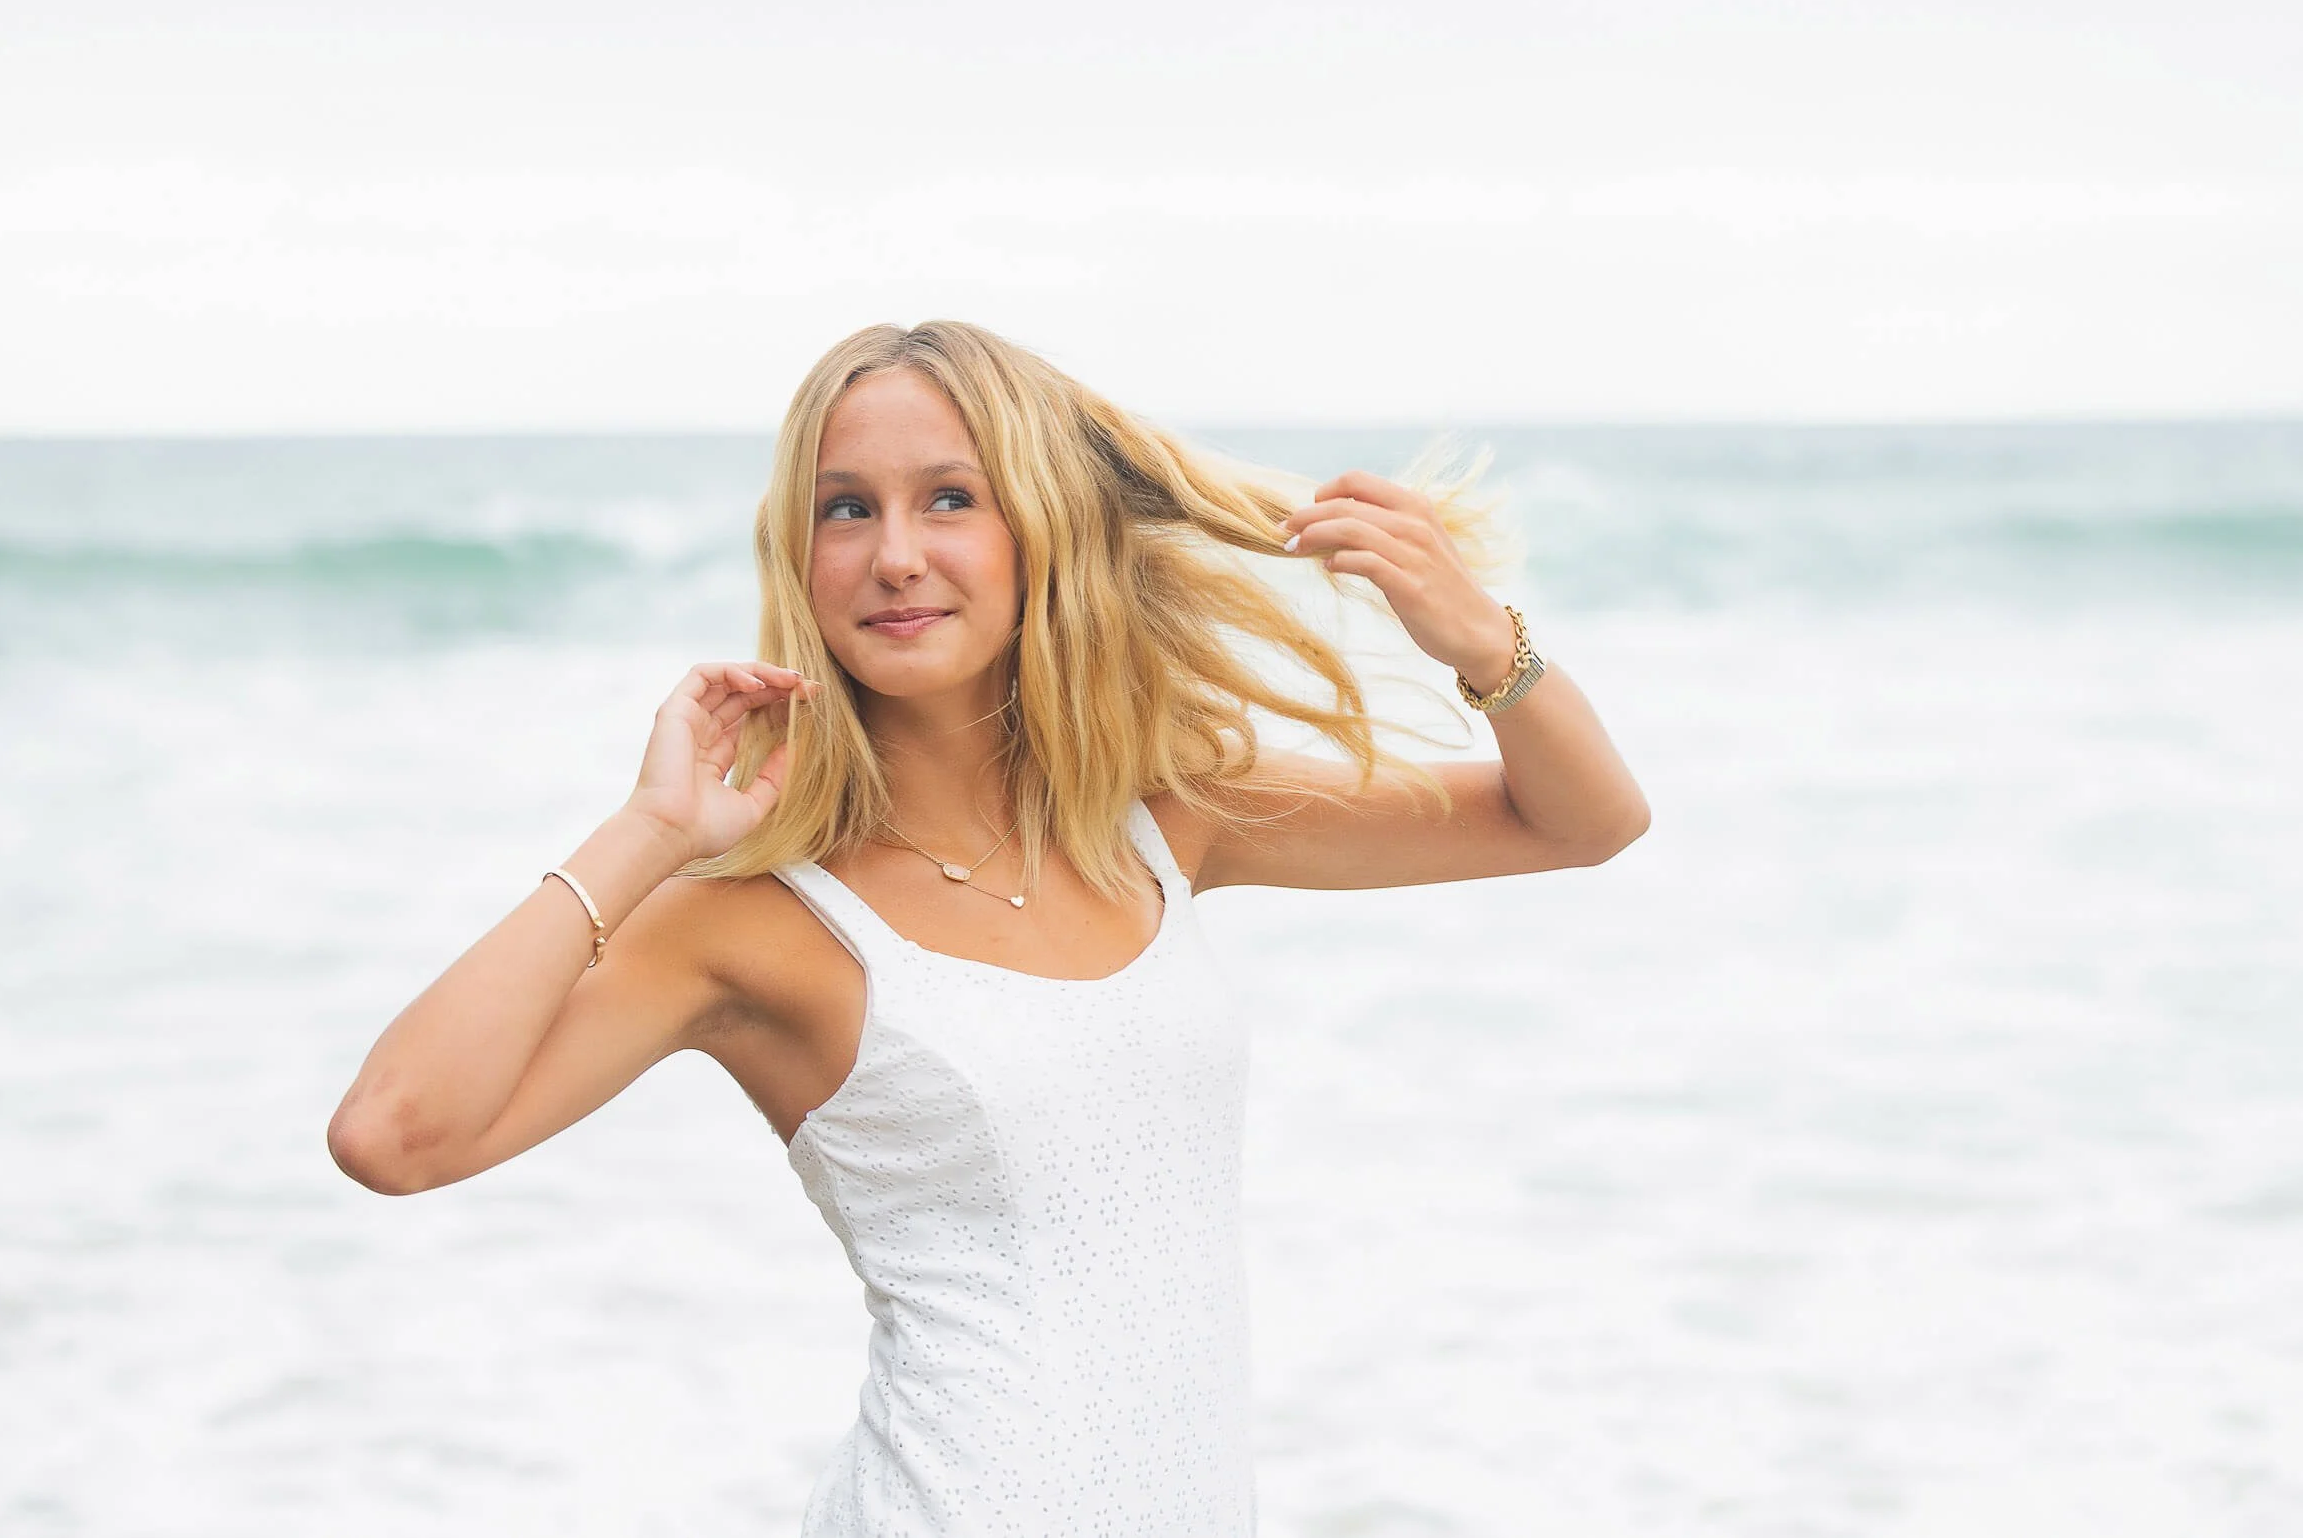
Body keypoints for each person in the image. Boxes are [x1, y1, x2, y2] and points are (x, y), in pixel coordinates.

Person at [325, 320, 1650, 1534]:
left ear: (1038, 526)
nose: (895, 553)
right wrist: (648, 832)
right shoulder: (756, 923)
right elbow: (393, 1134)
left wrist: (1485, 645)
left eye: (949, 498)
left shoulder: (1163, 812)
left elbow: (1579, 819)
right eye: (847, 510)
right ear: (801, 555)